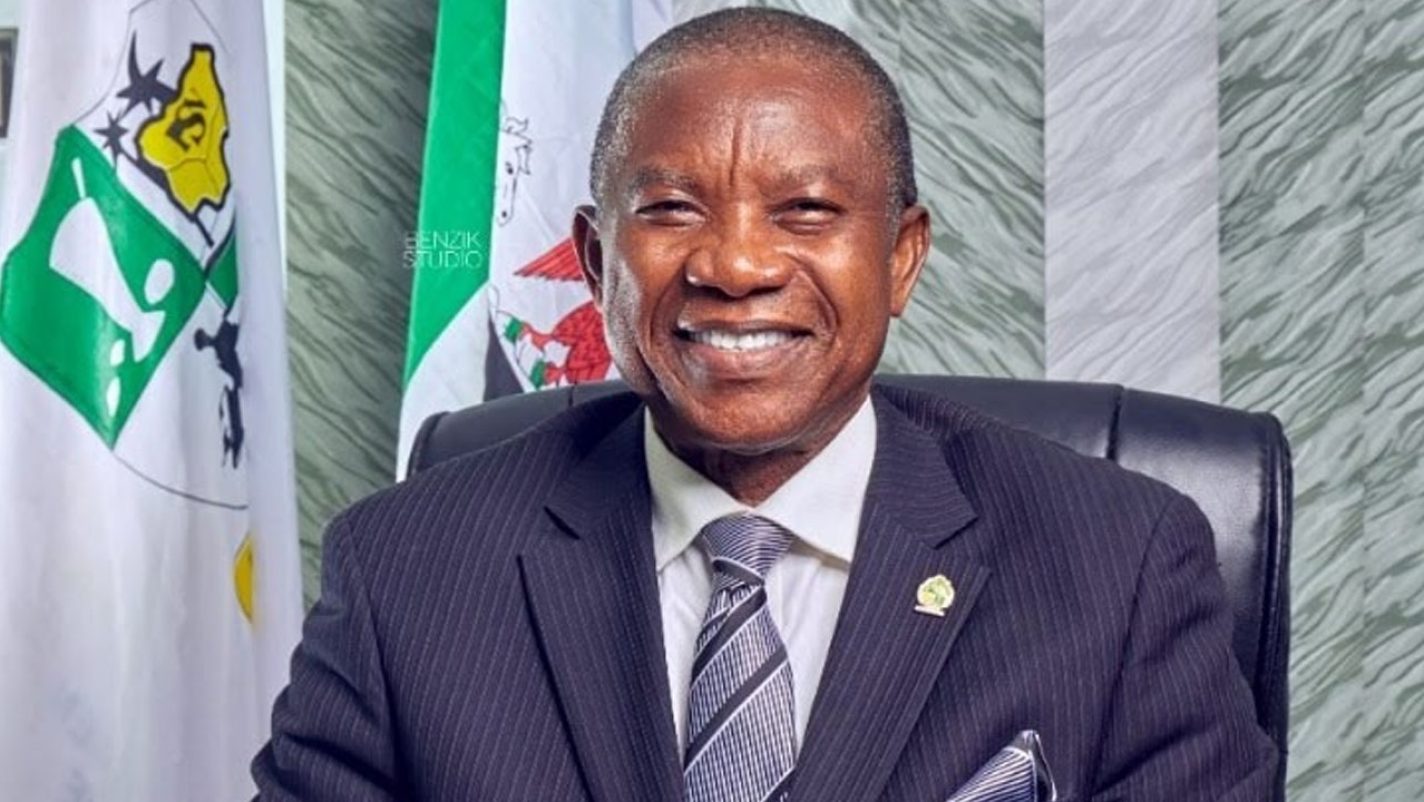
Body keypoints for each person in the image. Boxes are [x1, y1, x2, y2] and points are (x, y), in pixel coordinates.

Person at [253, 8, 1277, 801]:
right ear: (596, 262)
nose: (736, 265)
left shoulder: (1117, 564)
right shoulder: (406, 570)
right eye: (671, 209)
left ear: (900, 256)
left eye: (805, 211)